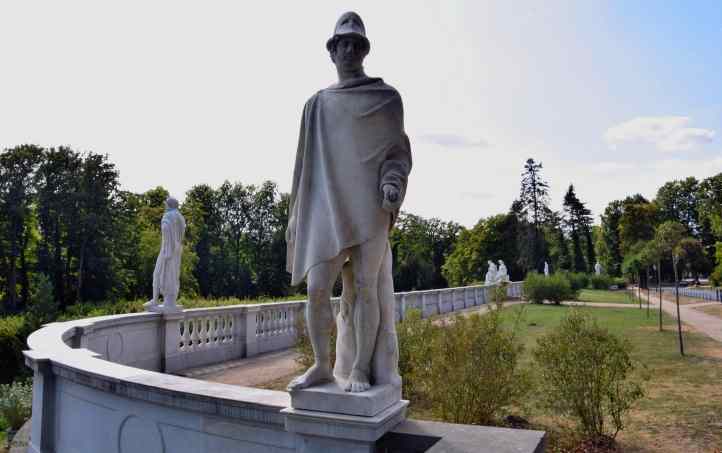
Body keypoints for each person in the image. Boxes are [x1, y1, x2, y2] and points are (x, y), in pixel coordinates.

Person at [286, 12, 412, 393]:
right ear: (332, 50)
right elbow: (302, 166)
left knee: (365, 287)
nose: (349, 50)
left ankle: (359, 368)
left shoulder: (386, 98)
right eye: (343, 43)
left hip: (370, 208)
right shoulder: (316, 104)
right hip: (325, 209)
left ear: (364, 50)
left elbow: (398, 154)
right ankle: (323, 366)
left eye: (356, 44)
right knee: (317, 287)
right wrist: (295, 213)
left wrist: (393, 183)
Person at [144, 197, 186, 312]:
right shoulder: (181, 217)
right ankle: (169, 301)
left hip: (167, 251)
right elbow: (182, 235)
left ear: (169, 205)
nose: (165, 206)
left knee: (157, 273)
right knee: (173, 275)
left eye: (166, 204)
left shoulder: (168, 216)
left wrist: (167, 251)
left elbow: (166, 230)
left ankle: (155, 299)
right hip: (177, 251)